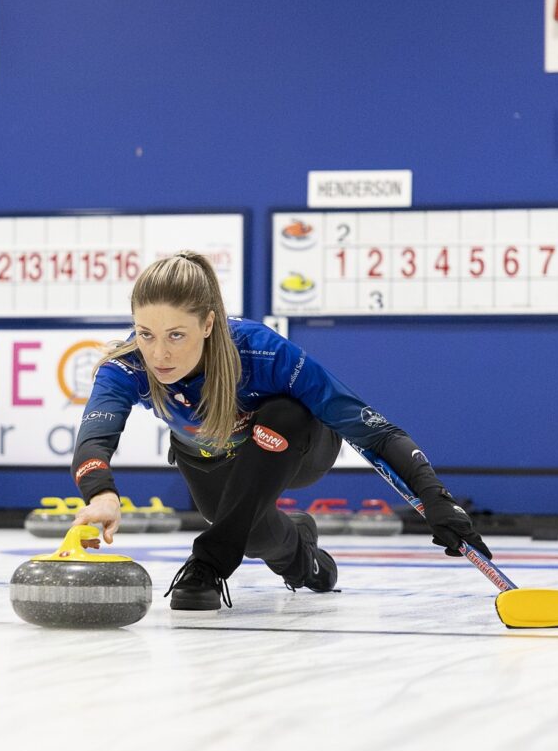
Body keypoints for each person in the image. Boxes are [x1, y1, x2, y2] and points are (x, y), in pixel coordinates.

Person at [71, 251, 491, 611]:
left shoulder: (262, 351)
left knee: (283, 414)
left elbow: (374, 430)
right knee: (251, 531)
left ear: (208, 324)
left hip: (298, 446)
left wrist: (436, 497)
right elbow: (95, 438)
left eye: (176, 335)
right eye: (146, 334)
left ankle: (209, 564)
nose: (159, 353)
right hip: (210, 458)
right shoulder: (127, 365)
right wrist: (101, 494)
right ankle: (305, 560)